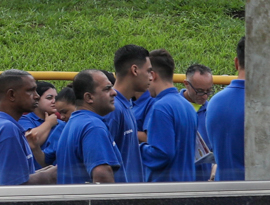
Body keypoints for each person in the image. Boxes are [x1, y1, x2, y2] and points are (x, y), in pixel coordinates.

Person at [139, 49, 200, 182]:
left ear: (153, 75)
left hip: (165, 191)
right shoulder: (188, 106)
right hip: (186, 187)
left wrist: (136, 148)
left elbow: (161, 154)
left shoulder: (161, 107)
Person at [55, 70, 122, 185]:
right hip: (87, 203)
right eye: (107, 89)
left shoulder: (75, 122)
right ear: (89, 97)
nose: (114, 92)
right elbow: (102, 175)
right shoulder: (93, 126)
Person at [0, 70, 40, 186]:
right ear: (11, 95)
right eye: (30, 90)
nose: (37, 96)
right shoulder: (7, 129)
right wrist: (51, 175)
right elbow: (14, 188)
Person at [110, 45, 153, 183]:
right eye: (149, 71)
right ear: (134, 70)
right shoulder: (113, 109)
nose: (151, 77)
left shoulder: (126, 105)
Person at [207, 40, 248, 183]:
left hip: (222, 193)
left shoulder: (214, 103)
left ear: (236, 63)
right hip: (259, 195)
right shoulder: (267, 105)